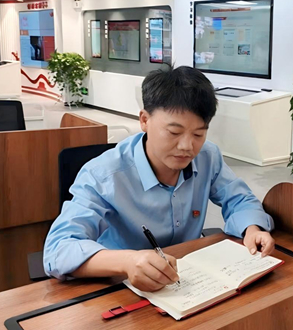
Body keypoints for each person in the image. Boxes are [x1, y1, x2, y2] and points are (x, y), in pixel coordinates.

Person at [43, 66, 275, 292]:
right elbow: (58, 249)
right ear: (144, 120)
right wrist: (127, 262)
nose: (187, 146)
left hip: (190, 281)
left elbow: (238, 199)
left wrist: (252, 229)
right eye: (174, 132)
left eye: (198, 134)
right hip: (120, 286)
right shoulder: (103, 175)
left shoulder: (207, 156)